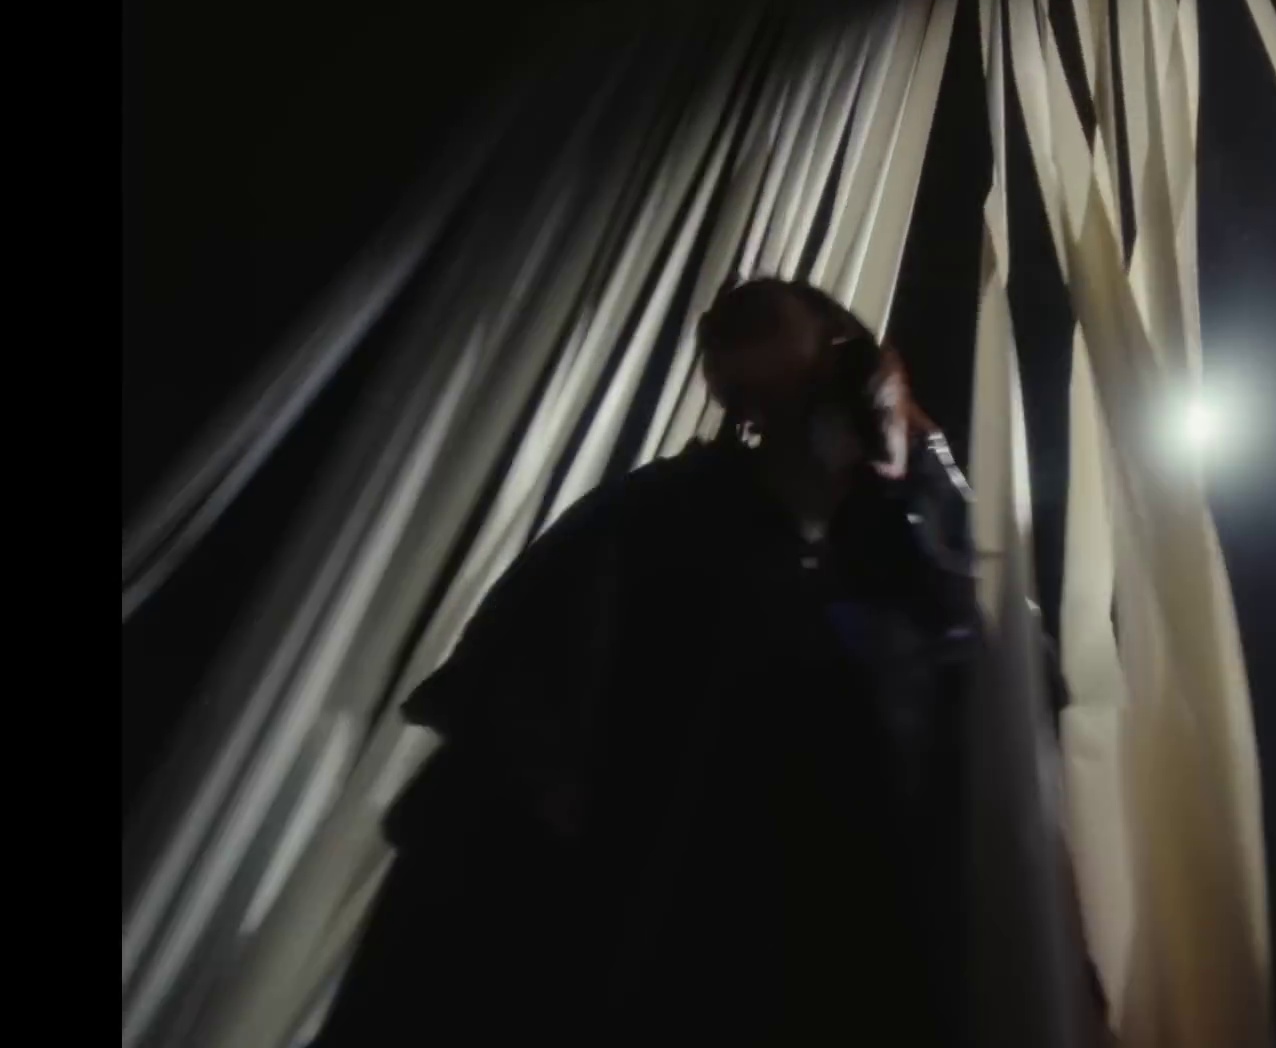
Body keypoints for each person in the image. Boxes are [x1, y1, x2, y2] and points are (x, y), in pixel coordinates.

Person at [314, 279, 1101, 1046]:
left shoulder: (904, 555)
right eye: (745, 368)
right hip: (674, 943)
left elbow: (1012, 680)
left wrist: (922, 460)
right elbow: (505, 747)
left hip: (839, 946)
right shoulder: (656, 521)